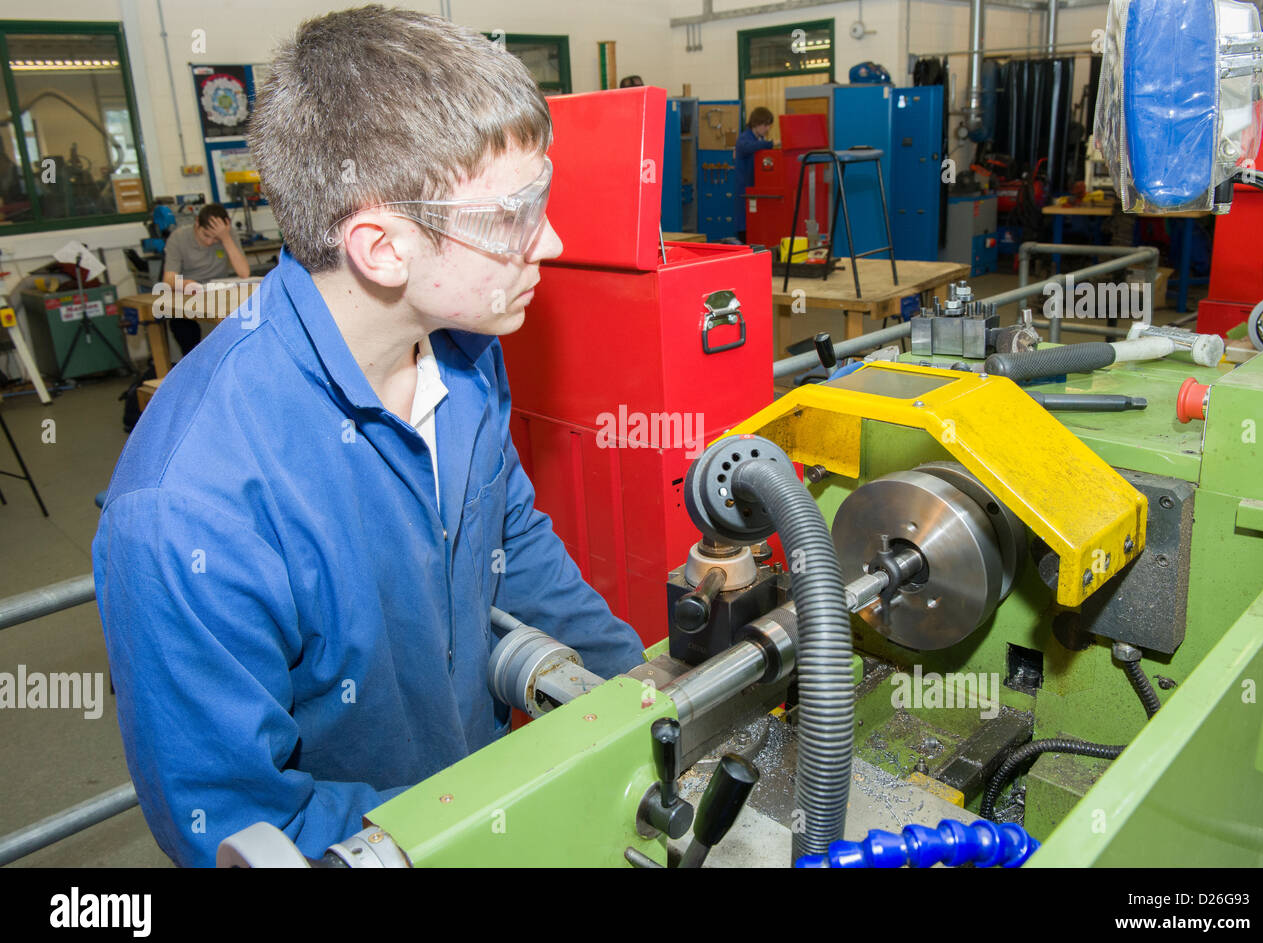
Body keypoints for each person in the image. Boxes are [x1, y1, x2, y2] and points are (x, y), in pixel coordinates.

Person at [92, 5, 645, 867]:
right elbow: (238, 824)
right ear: (380, 247)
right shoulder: (188, 509)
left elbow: (515, 545)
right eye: (515, 213)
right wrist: (501, 826)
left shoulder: (463, 353)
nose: (556, 239)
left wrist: (646, 698)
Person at [160, 203, 251, 355]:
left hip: (219, 295)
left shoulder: (227, 234)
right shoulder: (178, 238)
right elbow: (168, 279)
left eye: (215, 238)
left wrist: (226, 238)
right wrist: (184, 284)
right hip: (190, 296)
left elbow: (244, 273)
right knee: (182, 327)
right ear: (197, 223)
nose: (210, 242)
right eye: (206, 235)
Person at [733, 107, 775, 243]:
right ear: (756, 123)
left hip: (755, 190)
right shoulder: (744, 139)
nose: (768, 128)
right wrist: (770, 144)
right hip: (744, 190)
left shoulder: (759, 139)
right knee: (745, 226)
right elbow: (747, 147)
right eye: (766, 125)